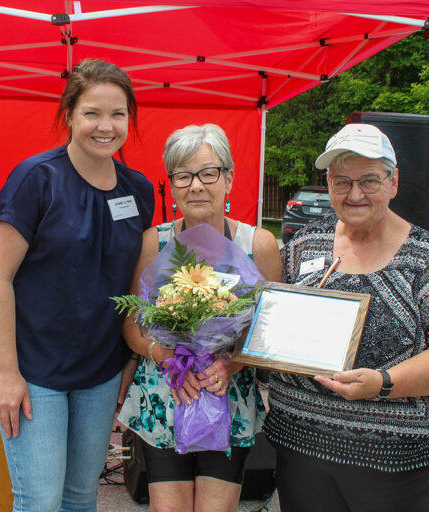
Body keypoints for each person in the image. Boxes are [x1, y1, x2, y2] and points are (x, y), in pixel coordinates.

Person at [264, 123, 429, 512]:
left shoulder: (425, 257)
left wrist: (383, 383)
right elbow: (270, 322)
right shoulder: (303, 243)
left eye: (369, 180)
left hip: (393, 464)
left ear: (393, 183)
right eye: (341, 181)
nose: (355, 194)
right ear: (328, 184)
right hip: (299, 449)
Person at [0, 59, 155, 512]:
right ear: (70, 116)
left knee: (80, 498)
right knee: (39, 501)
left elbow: (134, 287)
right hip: (34, 370)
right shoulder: (36, 180)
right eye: (92, 113)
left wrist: (130, 358)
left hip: (99, 371)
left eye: (118, 114)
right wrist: (9, 374)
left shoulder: (137, 191)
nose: (106, 126)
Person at [118, 123, 282, 512]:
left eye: (208, 173)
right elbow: (131, 322)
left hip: (227, 394)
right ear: (172, 185)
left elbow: (270, 330)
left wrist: (231, 363)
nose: (196, 185)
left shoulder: (257, 244)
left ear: (228, 177)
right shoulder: (153, 242)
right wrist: (159, 353)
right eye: (183, 175)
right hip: (167, 394)